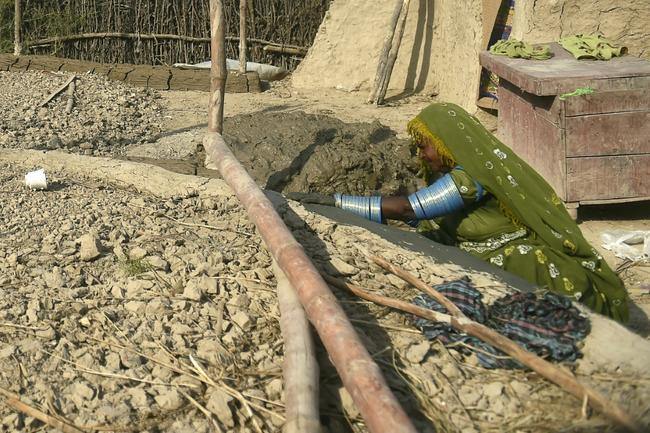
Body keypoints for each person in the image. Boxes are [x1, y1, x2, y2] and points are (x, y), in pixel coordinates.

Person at [290, 102, 628, 322]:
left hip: (509, 256)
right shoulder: (452, 171)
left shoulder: (470, 178)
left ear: (447, 142)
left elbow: (411, 209)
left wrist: (336, 204)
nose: (421, 155)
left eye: (424, 146)